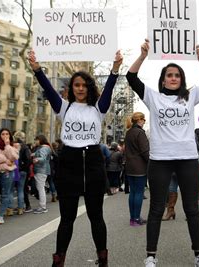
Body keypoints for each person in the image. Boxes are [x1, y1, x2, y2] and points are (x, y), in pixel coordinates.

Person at [28, 49, 123, 267]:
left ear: (89, 88)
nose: (80, 88)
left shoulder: (99, 108)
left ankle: (103, 258)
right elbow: (48, 89)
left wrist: (115, 68)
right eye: (76, 85)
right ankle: (58, 260)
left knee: (96, 217)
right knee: (67, 219)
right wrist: (36, 69)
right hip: (69, 164)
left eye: (84, 85)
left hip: (93, 163)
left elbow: (108, 89)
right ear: (71, 88)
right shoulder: (63, 106)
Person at [126, 39, 199, 267]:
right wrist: (143, 56)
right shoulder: (153, 97)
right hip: (160, 160)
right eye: (169, 75)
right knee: (156, 208)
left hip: (187, 159)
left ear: (182, 79)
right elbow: (131, 78)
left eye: (177, 75)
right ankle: (151, 256)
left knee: (192, 208)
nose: (173, 78)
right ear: (163, 79)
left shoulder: (191, 96)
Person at [124, 112, 149, 226]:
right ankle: (137, 218)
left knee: (133, 193)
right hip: (140, 167)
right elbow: (145, 151)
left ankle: (132, 219)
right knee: (139, 192)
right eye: (144, 120)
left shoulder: (128, 133)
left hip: (129, 167)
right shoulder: (140, 133)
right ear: (140, 120)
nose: (144, 122)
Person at [32, 135, 52, 214]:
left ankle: (43, 207)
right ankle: (42, 206)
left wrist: (36, 159)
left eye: (36, 140)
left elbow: (43, 158)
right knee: (41, 188)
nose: (35, 142)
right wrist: (35, 154)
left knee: (40, 188)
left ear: (40, 140)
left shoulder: (43, 148)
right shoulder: (45, 147)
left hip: (41, 170)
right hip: (43, 170)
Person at [13, 131, 32, 214]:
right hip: (23, 170)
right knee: (22, 189)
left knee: (17, 189)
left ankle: (23, 205)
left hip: (14, 169)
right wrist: (24, 168)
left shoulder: (12, 145)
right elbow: (28, 159)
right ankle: (22, 207)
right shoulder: (25, 147)